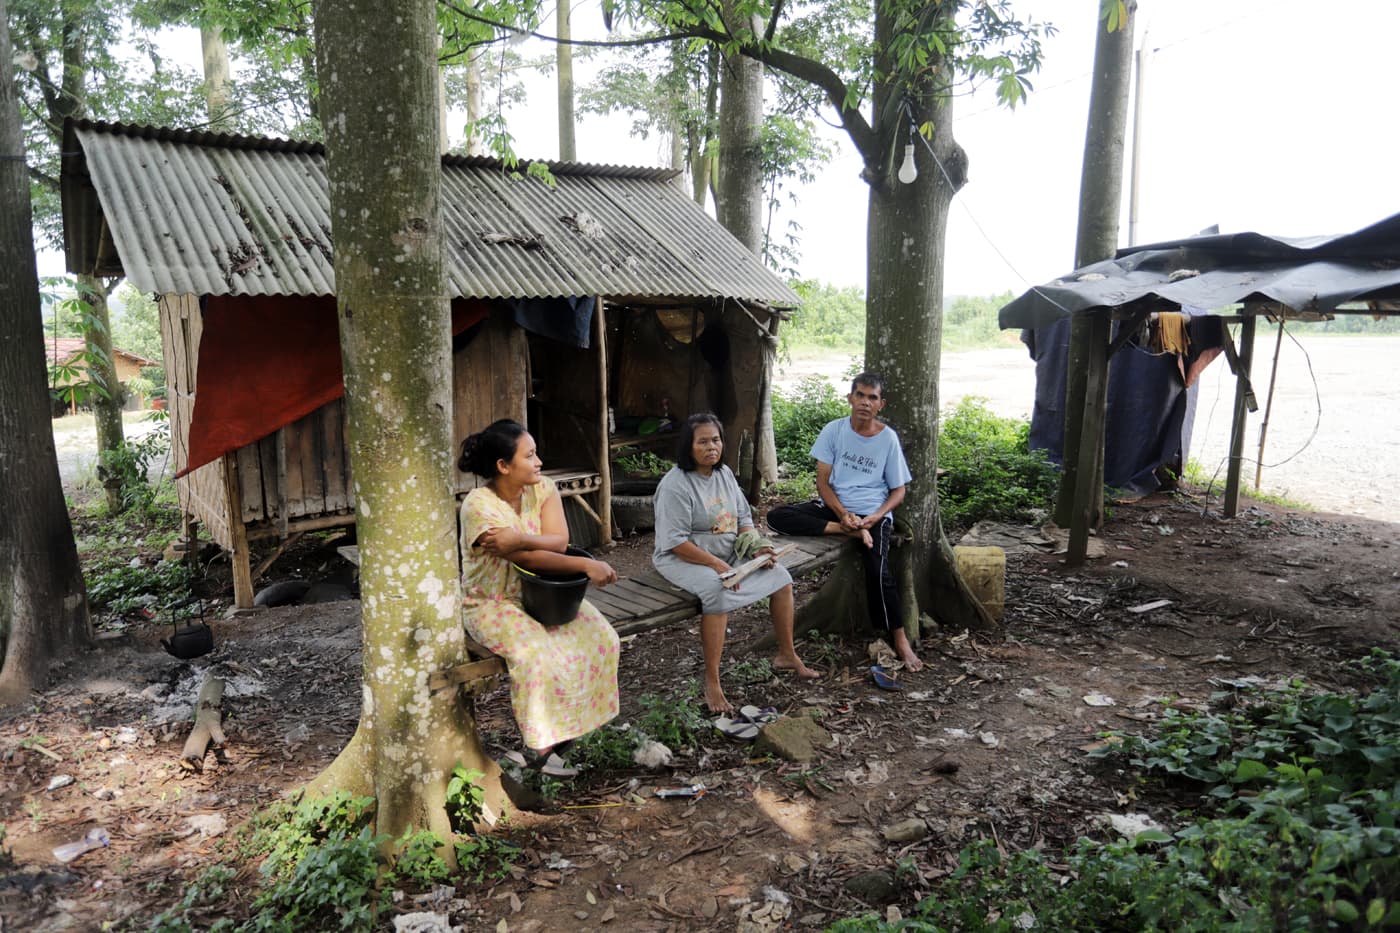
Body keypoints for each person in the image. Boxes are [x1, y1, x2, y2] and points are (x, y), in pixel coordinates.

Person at [458, 419, 621, 776]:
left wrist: (518, 537)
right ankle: (541, 749)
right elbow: (524, 558)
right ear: (504, 466)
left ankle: (569, 733)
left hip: (543, 594)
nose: (539, 462)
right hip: (492, 603)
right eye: (529, 456)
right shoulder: (477, 506)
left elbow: (559, 541)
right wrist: (579, 563)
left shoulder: (542, 488)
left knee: (602, 638)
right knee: (534, 653)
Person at [652, 412, 820, 714]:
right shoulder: (675, 485)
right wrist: (717, 565)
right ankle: (712, 681)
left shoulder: (724, 474)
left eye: (715, 440)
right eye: (702, 441)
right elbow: (675, 542)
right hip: (682, 558)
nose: (711, 447)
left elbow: (743, 520)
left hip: (727, 554)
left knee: (780, 575)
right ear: (688, 446)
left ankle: (787, 654)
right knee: (717, 592)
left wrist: (758, 548)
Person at [766, 373, 923, 671]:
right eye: (860, 395)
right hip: (837, 511)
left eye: (872, 398)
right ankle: (848, 533)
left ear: (880, 404)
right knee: (777, 516)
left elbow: (898, 490)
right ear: (850, 398)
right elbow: (823, 483)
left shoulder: (887, 438)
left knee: (878, 571)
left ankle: (899, 638)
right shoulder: (834, 431)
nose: (865, 402)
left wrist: (875, 517)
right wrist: (842, 517)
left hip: (873, 514)